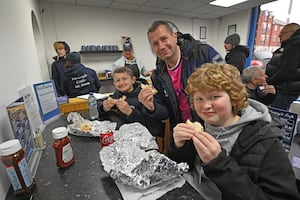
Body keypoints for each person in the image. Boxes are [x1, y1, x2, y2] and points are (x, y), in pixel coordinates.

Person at [168, 63, 300, 200]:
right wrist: (178, 146)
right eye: (199, 99)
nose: (206, 106)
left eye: (214, 97)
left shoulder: (266, 141)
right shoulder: (201, 124)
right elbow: (181, 167)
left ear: (233, 97)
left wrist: (218, 164)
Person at [139, 20, 224, 135]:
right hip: (183, 132)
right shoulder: (157, 75)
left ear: (174, 36)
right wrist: (151, 107)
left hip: (214, 128)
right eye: (155, 44)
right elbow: (166, 113)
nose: (161, 46)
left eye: (164, 39)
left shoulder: (202, 52)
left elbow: (231, 82)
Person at [98, 67, 168, 136]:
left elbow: (154, 123)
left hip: (144, 135)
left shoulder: (146, 95)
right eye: (117, 80)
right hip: (122, 134)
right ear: (114, 83)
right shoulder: (117, 95)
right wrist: (103, 107)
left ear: (133, 80)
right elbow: (98, 103)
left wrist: (130, 112)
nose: (121, 83)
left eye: (124, 79)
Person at [265, 23, 300, 111]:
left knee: (276, 118)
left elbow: (286, 71)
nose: (279, 36)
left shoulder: (294, 45)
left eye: (282, 33)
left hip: (283, 90)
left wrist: (268, 81)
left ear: (291, 33)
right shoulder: (290, 46)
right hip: (283, 89)